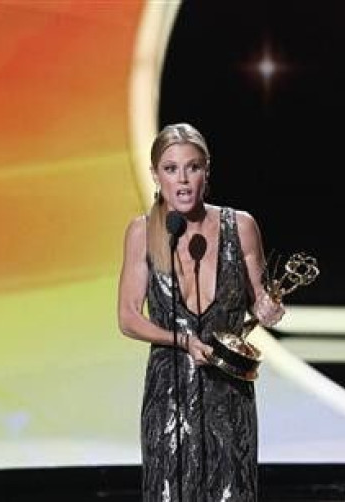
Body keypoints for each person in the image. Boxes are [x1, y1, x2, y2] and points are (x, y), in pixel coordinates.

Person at [117, 123, 285, 501]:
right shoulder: (143, 232)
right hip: (169, 398)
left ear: (206, 171)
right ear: (156, 175)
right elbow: (128, 316)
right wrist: (182, 340)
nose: (182, 180)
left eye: (192, 167)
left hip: (228, 395)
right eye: (171, 168)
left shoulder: (240, 227)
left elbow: (260, 300)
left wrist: (270, 308)